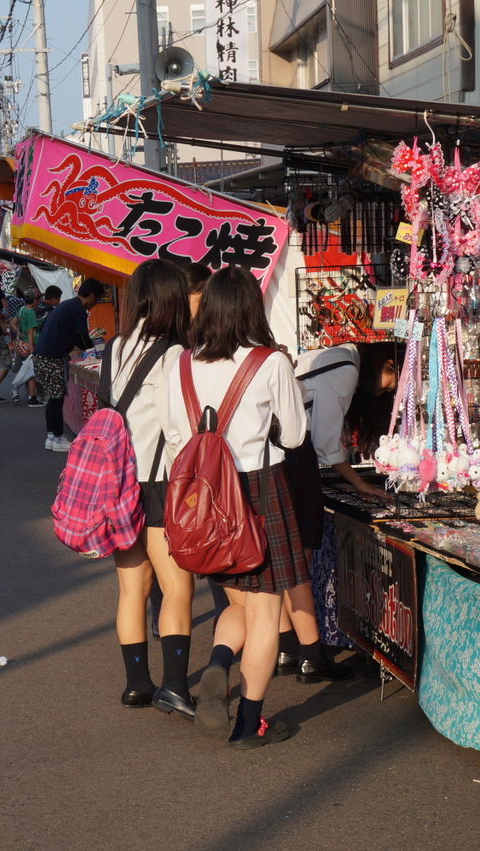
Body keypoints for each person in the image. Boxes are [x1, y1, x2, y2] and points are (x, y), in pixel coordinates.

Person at [169, 265, 307, 749]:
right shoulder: (270, 362)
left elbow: (175, 437)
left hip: (205, 497)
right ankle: (250, 723)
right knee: (265, 611)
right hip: (259, 489)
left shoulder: (180, 363)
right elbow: (295, 436)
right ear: (252, 308)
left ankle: (219, 663)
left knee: (238, 603)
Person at [102, 259, 194, 714]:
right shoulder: (175, 354)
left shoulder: (116, 347)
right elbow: (177, 428)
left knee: (131, 588)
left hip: (119, 482)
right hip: (161, 482)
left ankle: (137, 683)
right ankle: (175, 685)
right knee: (176, 587)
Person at [275, 342, 398, 680]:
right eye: (393, 382)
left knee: (287, 558)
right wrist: (358, 483)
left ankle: (289, 648)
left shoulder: (337, 356)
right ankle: (310, 655)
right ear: (387, 364)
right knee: (300, 558)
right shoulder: (345, 367)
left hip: (281, 454)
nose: (389, 391)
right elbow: (326, 442)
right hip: (294, 458)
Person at [33, 278, 105, 452]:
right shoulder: (78, 309)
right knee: (56, 399)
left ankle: (51, 437)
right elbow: (82, 338)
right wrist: (95, 349)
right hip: (51, 358)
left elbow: (77, 338)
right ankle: (58, 438)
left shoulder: (68, 305)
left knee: (52, 398)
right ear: (92, 296)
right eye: (97, 300)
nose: (95, 305)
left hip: (43, 356)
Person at [16, 289, 43, 405]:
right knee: (32, 371)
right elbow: (31, 331)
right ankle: (32, 397)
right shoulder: (31, 312)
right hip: (30, 345)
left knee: (27, 369)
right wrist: (32, 348)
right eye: (39, 299)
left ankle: (28, 394)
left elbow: (13, 322)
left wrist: (20, 334)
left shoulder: (22, 309)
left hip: (23, 344)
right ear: (35, 300)